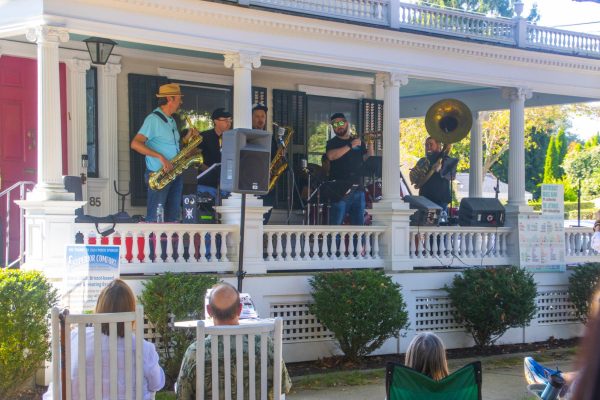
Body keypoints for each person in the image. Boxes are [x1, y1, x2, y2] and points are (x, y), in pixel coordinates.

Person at [43, 279, 165, 400]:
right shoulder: (144, 348)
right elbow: (156, 384)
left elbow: (59, 379)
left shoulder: (75, 338)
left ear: (99, 309)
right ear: (131, 312)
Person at [176, 282, 292, 400]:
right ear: (240, 309)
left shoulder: (195, 352)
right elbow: (283, 386)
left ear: (209, 311)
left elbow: (182, 395)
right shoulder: (265, 345)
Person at [130, 83, 198, 222]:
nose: (181, 102)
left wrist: (187, 138)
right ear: (169, 99)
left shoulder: (172, 120)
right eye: (179, 99)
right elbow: (135, 143)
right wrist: (160, 157)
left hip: (174, 173)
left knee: (172, 218)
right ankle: (154, 244)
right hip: (159, 174)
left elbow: (171, 146)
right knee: (156, 219)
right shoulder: (153, 119)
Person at [325, 112, 374, 225]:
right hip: (339, 189)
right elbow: (331, 156)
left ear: (346, 123)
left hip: (358, 187)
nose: (339, 126)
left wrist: (370, 143)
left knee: (359, 226)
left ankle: (358, 243)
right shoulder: (332, 143)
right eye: (335, 124)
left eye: (341, 122)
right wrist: (350, 145)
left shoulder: (357, 141)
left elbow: (368, 159)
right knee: (336, 225)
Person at [196, 107, 232, 198]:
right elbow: (195, 159)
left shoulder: (232, 138)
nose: (228, 123)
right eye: (225, 120)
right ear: (215, 121)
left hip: (226, 186)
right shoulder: (204, 136)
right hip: (206, 185)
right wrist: (208, 170)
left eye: (230, 120)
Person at [414, 137, 452, 212]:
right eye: (426, 145)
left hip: (440, 200)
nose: (428, 147)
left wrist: (440, 170)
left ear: (438, 146)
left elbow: (452, 176)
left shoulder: (446, 159)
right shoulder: (422, 160)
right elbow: (416, 180)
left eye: (431, 144)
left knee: (440, 222)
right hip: (424, 199)